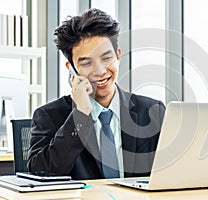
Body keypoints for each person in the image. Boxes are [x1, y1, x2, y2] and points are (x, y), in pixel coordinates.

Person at [27, 8, 165, 180]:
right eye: (86, 63)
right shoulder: (49, 116)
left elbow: (174, 169)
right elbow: (41, 174)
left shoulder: (153, 110)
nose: (100, 71)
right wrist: (80, 114)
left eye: (107, 58)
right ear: (71, 69)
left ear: (118, 56)